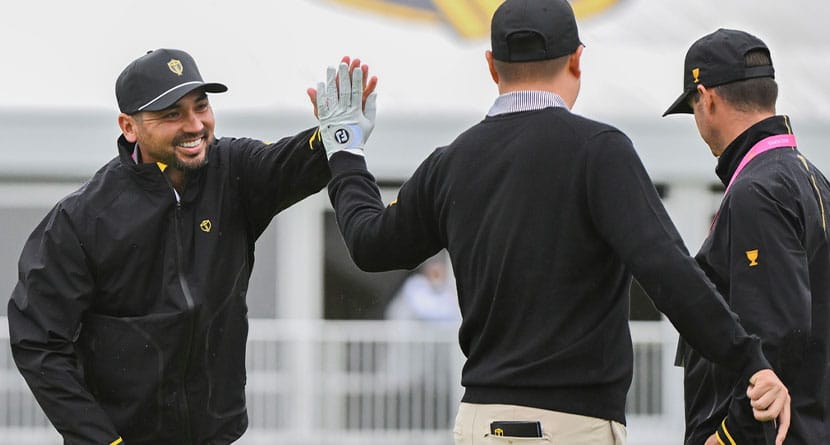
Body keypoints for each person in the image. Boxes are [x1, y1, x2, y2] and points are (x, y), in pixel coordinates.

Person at [311, 1, 792, 444]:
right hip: (571, 426)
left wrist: (345, 152)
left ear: (491, 66)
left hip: (480, 423)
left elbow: (369, 243)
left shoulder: (451, 162)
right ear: (578, 60)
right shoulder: (599, 151)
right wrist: (750, 362)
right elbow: (669, 274)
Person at [7, 49, 374, 444]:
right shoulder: (81, 218)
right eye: (172, 114)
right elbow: (38, 341)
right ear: (128, 127)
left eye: (201, 106)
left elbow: (292, 162)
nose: (195, 124)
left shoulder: (234, 170)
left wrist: (339, 138)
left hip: (217, 436)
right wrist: (100, 439)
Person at [664, 28, 830, 445]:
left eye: (693, 107)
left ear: (708, 98)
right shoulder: (811, 178)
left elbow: (774, 338)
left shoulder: (759, 190)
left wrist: (728, 435)